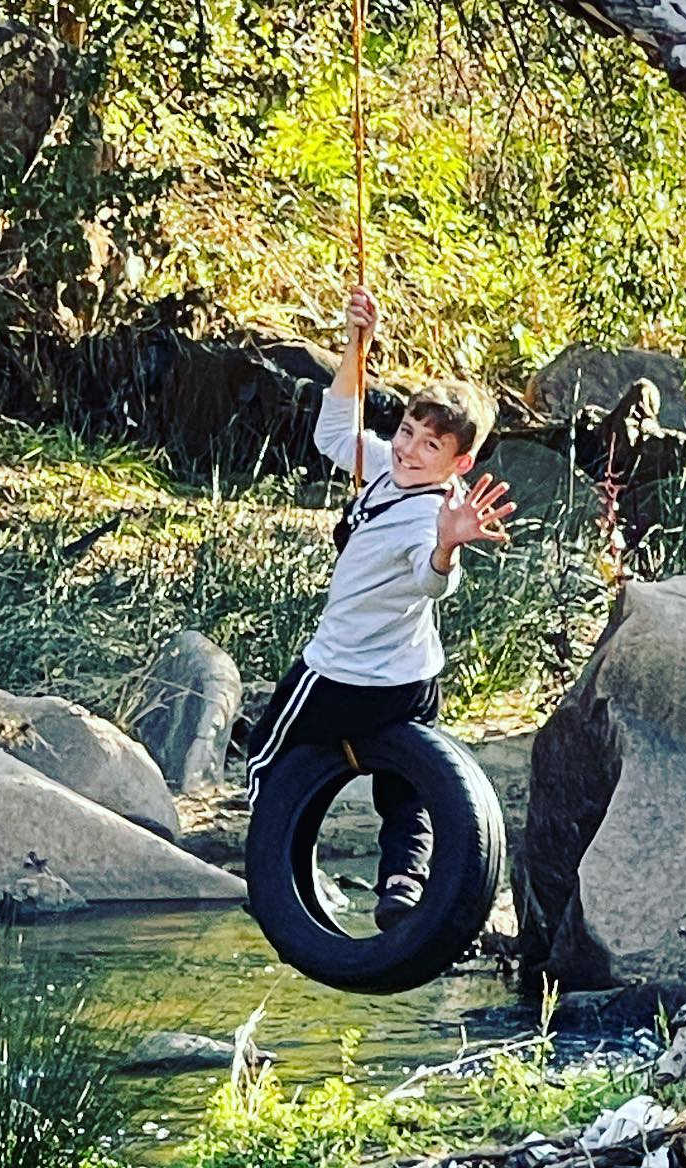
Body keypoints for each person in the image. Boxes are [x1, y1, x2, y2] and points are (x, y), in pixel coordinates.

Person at [246, 285, 513, 930]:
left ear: (460, 462)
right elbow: (335, 428)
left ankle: (280, 869)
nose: (408, 449)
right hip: (412, 681)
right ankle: (401, 885)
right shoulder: (383, 467)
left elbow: (430, 580)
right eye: (407, 432)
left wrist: (449, 547)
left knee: (265, 761)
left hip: (341, 674)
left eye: (430, 447)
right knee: (407, 790)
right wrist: (355, 345)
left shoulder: (434, 512)